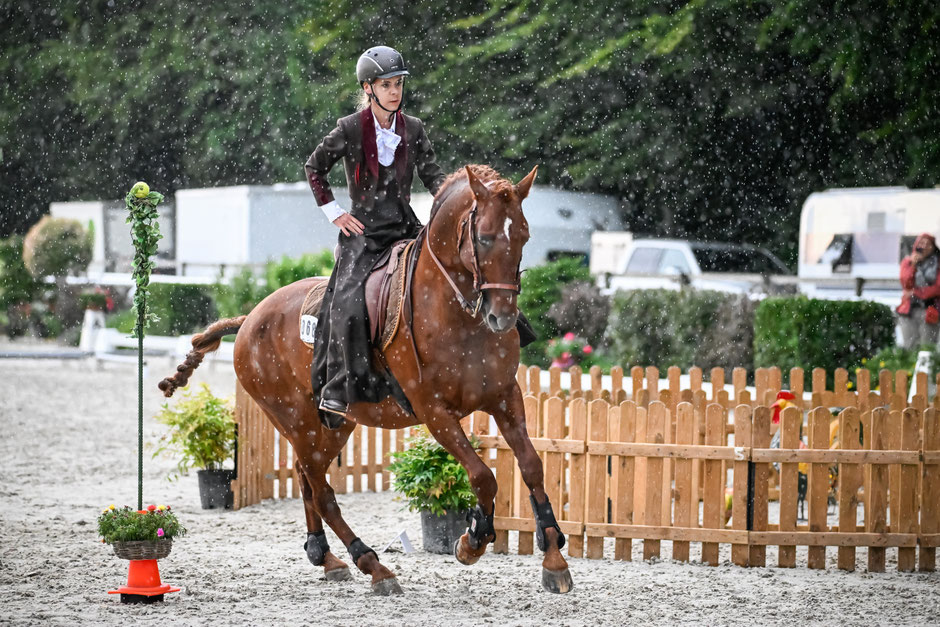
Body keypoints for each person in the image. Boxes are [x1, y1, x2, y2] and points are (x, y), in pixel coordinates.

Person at [304, 45, 535, 428]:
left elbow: (435, 179)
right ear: (368, 88)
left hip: (405, 226)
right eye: (386, 85)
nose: (395, 91)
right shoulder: (349, 128)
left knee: (467, 271)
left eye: (398, 84)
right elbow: (314, 168)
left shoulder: (412, 128)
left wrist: (469, 203)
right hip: (363, 234)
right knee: (348, 302)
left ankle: (508, 327)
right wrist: (335, 213)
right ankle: (337, 387)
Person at [897, 232, 940, 349]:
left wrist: (917, 292)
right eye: (921, 243)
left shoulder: (937, 263)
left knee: (927, 347)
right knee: (910, 346)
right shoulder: (907, 262)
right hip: (909, 309)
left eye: (928, 244)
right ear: (916, 245)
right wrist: (913, 265)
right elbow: (906, 284)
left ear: (933, 247)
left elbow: (937, 288)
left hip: (930, 309)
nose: (924, 246)